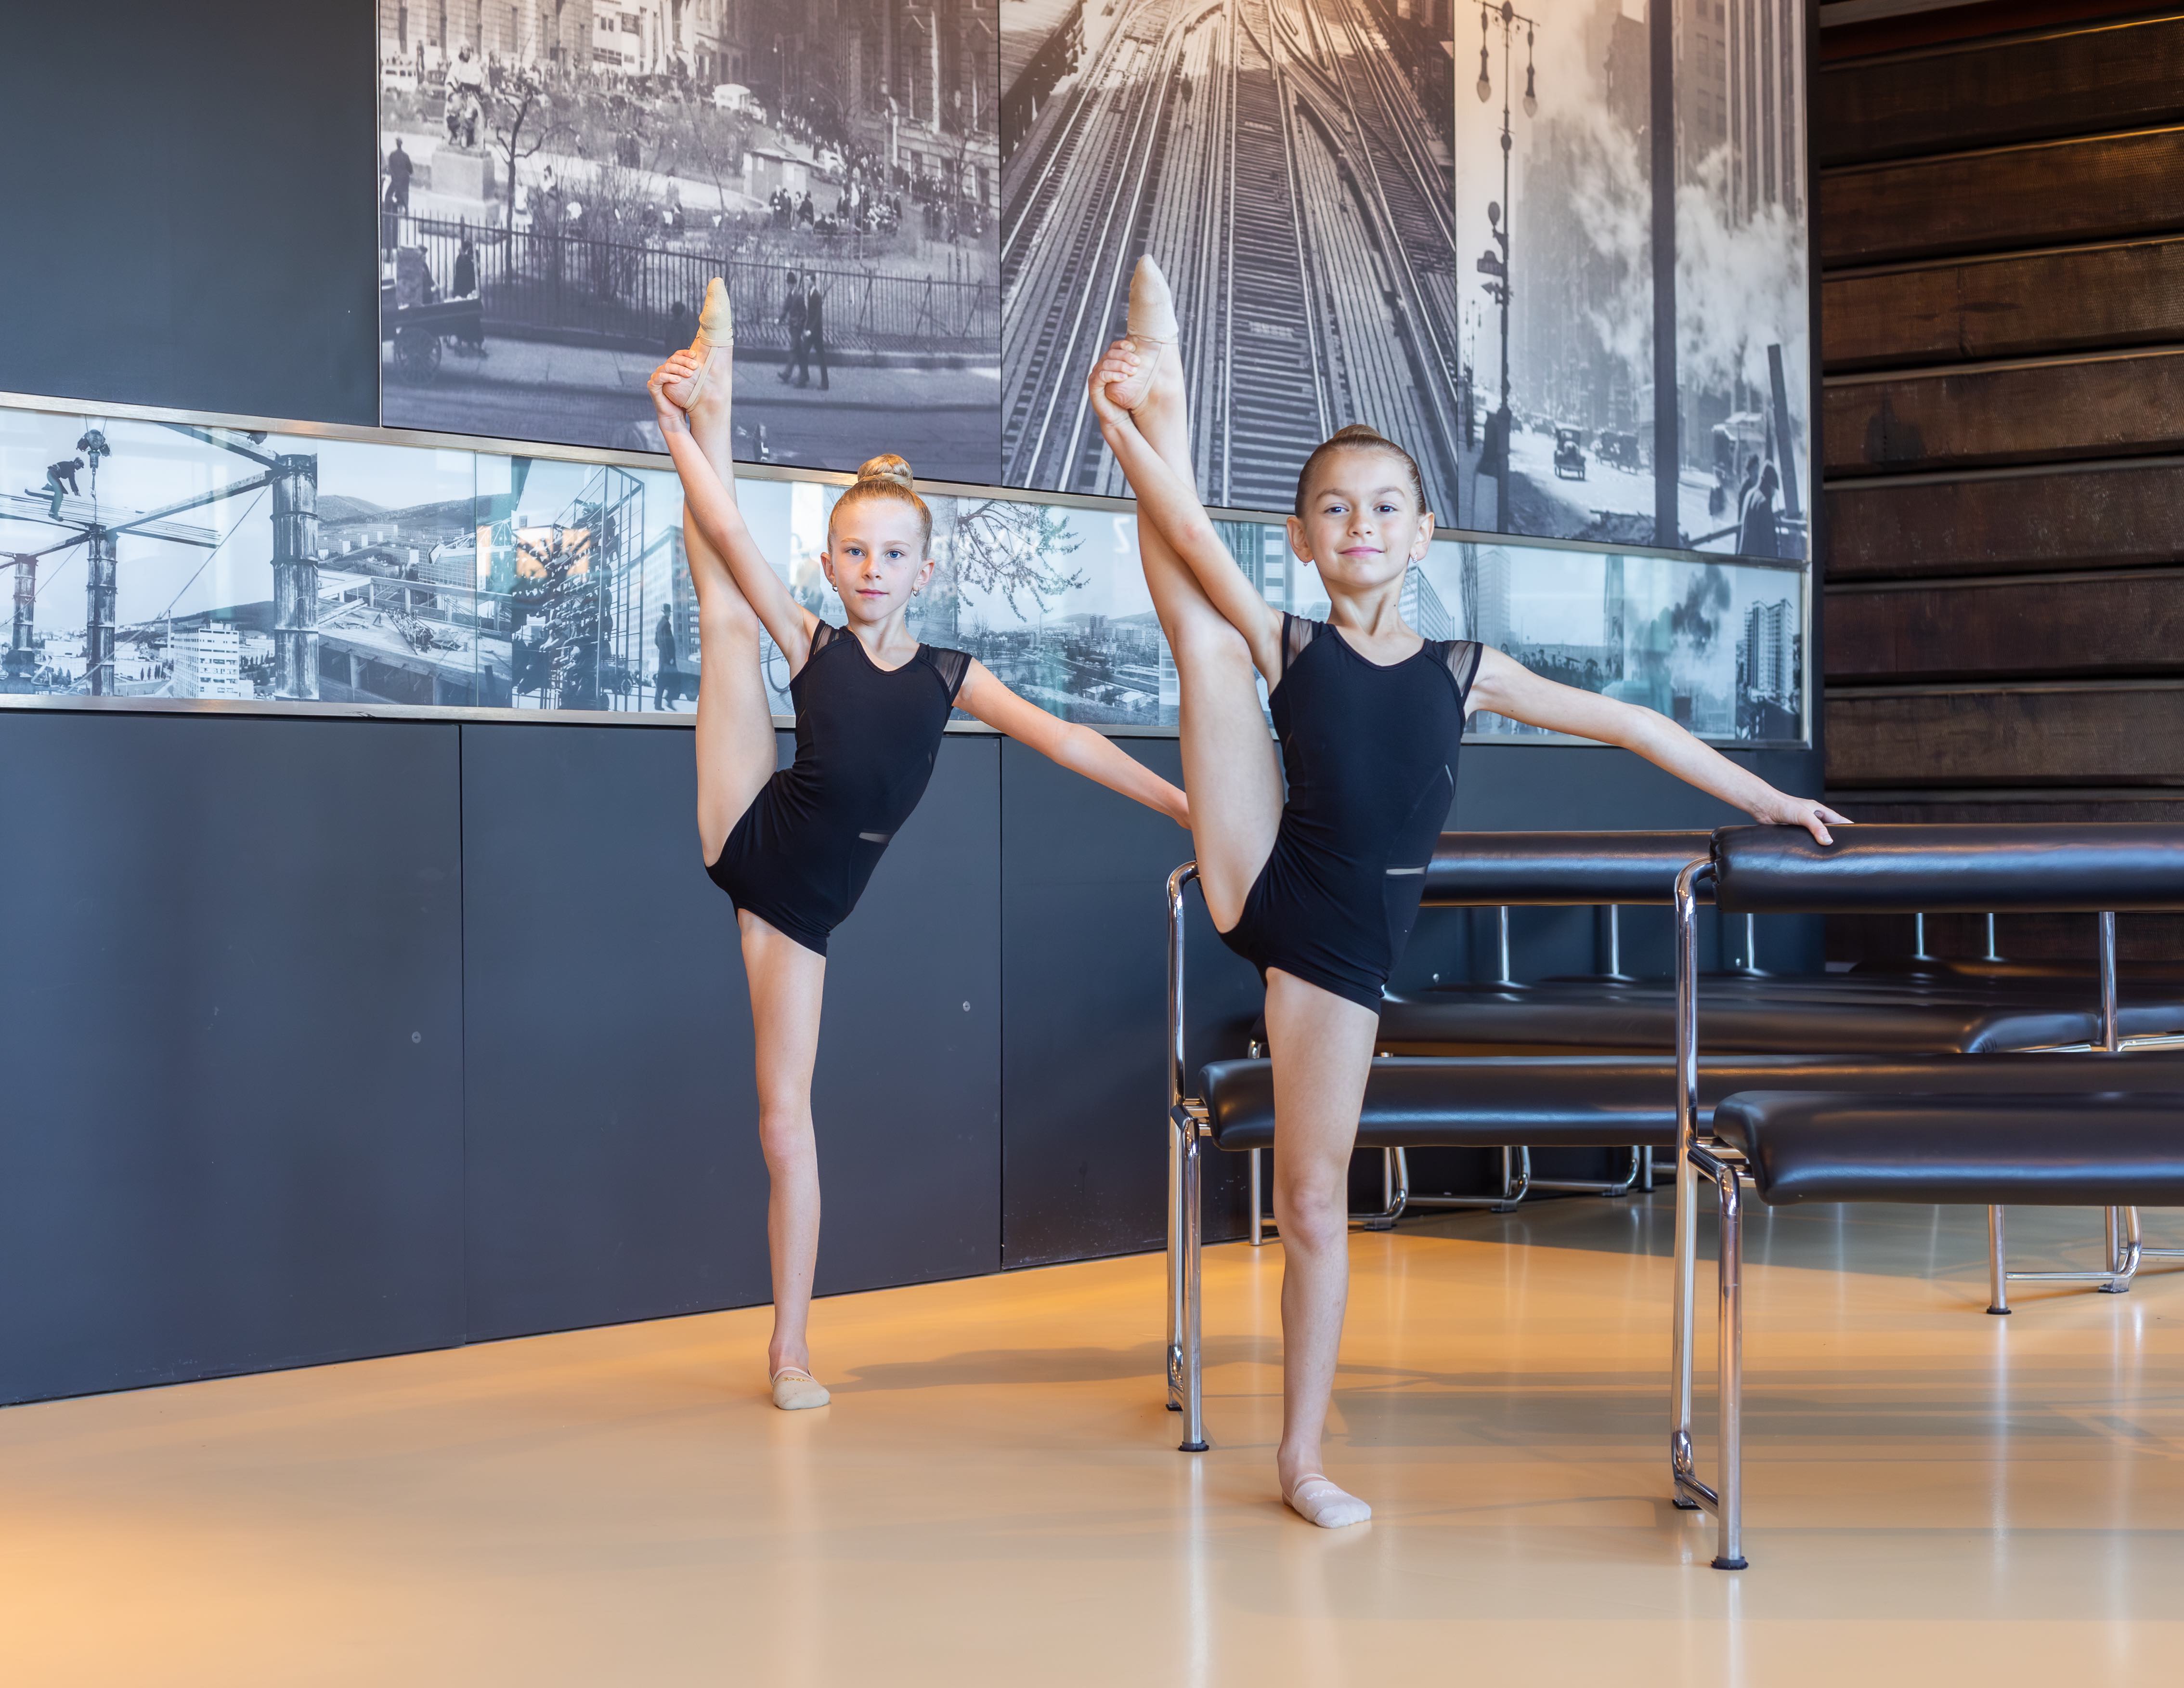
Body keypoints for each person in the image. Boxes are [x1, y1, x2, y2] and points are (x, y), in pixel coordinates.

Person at [1085, 257, 1847, 1530]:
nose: (1361, 525)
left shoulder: (1465, 666)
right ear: (1306, 537)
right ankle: (1155, 382)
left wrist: (1762, 798)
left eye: (1385, 507)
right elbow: (1202, 550)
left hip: (1331, 945)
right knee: (1208, 632)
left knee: (1313, 1201)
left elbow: (1631, 723)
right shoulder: (1296, 641)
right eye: (1334, 509)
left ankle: (1299, 1459)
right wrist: (1124, 434)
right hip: (1259, 872)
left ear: (1426, 532)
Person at [650, 282, 1189, 1411]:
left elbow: (1069, 739)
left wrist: (1183, 805)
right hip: (749, 831)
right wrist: (677, 428)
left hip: (802, 906)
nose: (873, 569)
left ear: (924, 571)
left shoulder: (952, 678)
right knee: (726, 612)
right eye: (854, 550)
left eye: (893, 553)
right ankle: (792, 1350)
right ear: (837, 563)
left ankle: (787, 1342)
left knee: (782, 1116)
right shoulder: (814, 642)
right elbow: (736, 537)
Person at [1739, 460, 1781, 559]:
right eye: (1774, 489)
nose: (1774, 494)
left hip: (1744, 559)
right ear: (1770, 486)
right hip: (1757, 564)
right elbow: (1768, 544)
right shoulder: (1764, 504)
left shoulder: (1750, 494)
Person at [778, 268, 807, 386]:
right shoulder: (790, 295)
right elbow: (786, 309)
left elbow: (804, 314)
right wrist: (780, 320)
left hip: (797, 328)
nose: (789, 286)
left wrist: (799, 325)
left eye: (790, 284)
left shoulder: (799, 296)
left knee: (793, 350)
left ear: (793, 284)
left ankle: (787, 374)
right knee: (799, 352)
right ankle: (804, 376)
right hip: (792, 328)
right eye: (788, 284)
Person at [803, 272, 829, 393]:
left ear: (813, 281)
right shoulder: (809, 294)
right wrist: (806, 328)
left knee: (821, 358)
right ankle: (804, 378)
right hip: (811, 331)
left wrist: (810, 331)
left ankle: (825, 383)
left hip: (816, 333)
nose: (806, 282)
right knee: (804, 353)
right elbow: (810, 314)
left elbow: (818, 316)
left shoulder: (817, 296)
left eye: (808, 280)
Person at [39, 456, 83, 520]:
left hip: (52, 475)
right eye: (80, 466)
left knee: (64, 492)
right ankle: (53, 513)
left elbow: (72, 482)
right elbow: (72, 482)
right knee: (59, 493)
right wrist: (77, 494)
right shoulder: (71, 467)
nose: (80, 468)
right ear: (76, 463)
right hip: (52, 474)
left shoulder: (70, 466)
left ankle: (49, 488)